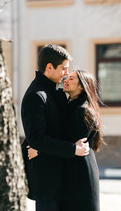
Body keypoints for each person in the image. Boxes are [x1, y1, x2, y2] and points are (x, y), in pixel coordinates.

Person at [21, 44, 90, 211]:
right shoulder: (36, 96)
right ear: (49, 67)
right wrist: (73, 149)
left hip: (64, 181)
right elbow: (36, 139)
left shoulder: (56, 91)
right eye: (64, 69)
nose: (66, 74)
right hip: (47, 183)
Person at [28, 70, 105, 211]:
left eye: (71, 78)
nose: (66, 80)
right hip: (72, 172)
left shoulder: (83, 111)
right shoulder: (70, 106)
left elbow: (69, 145)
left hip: (80, 175)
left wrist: (40, 150)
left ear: (82, 86)